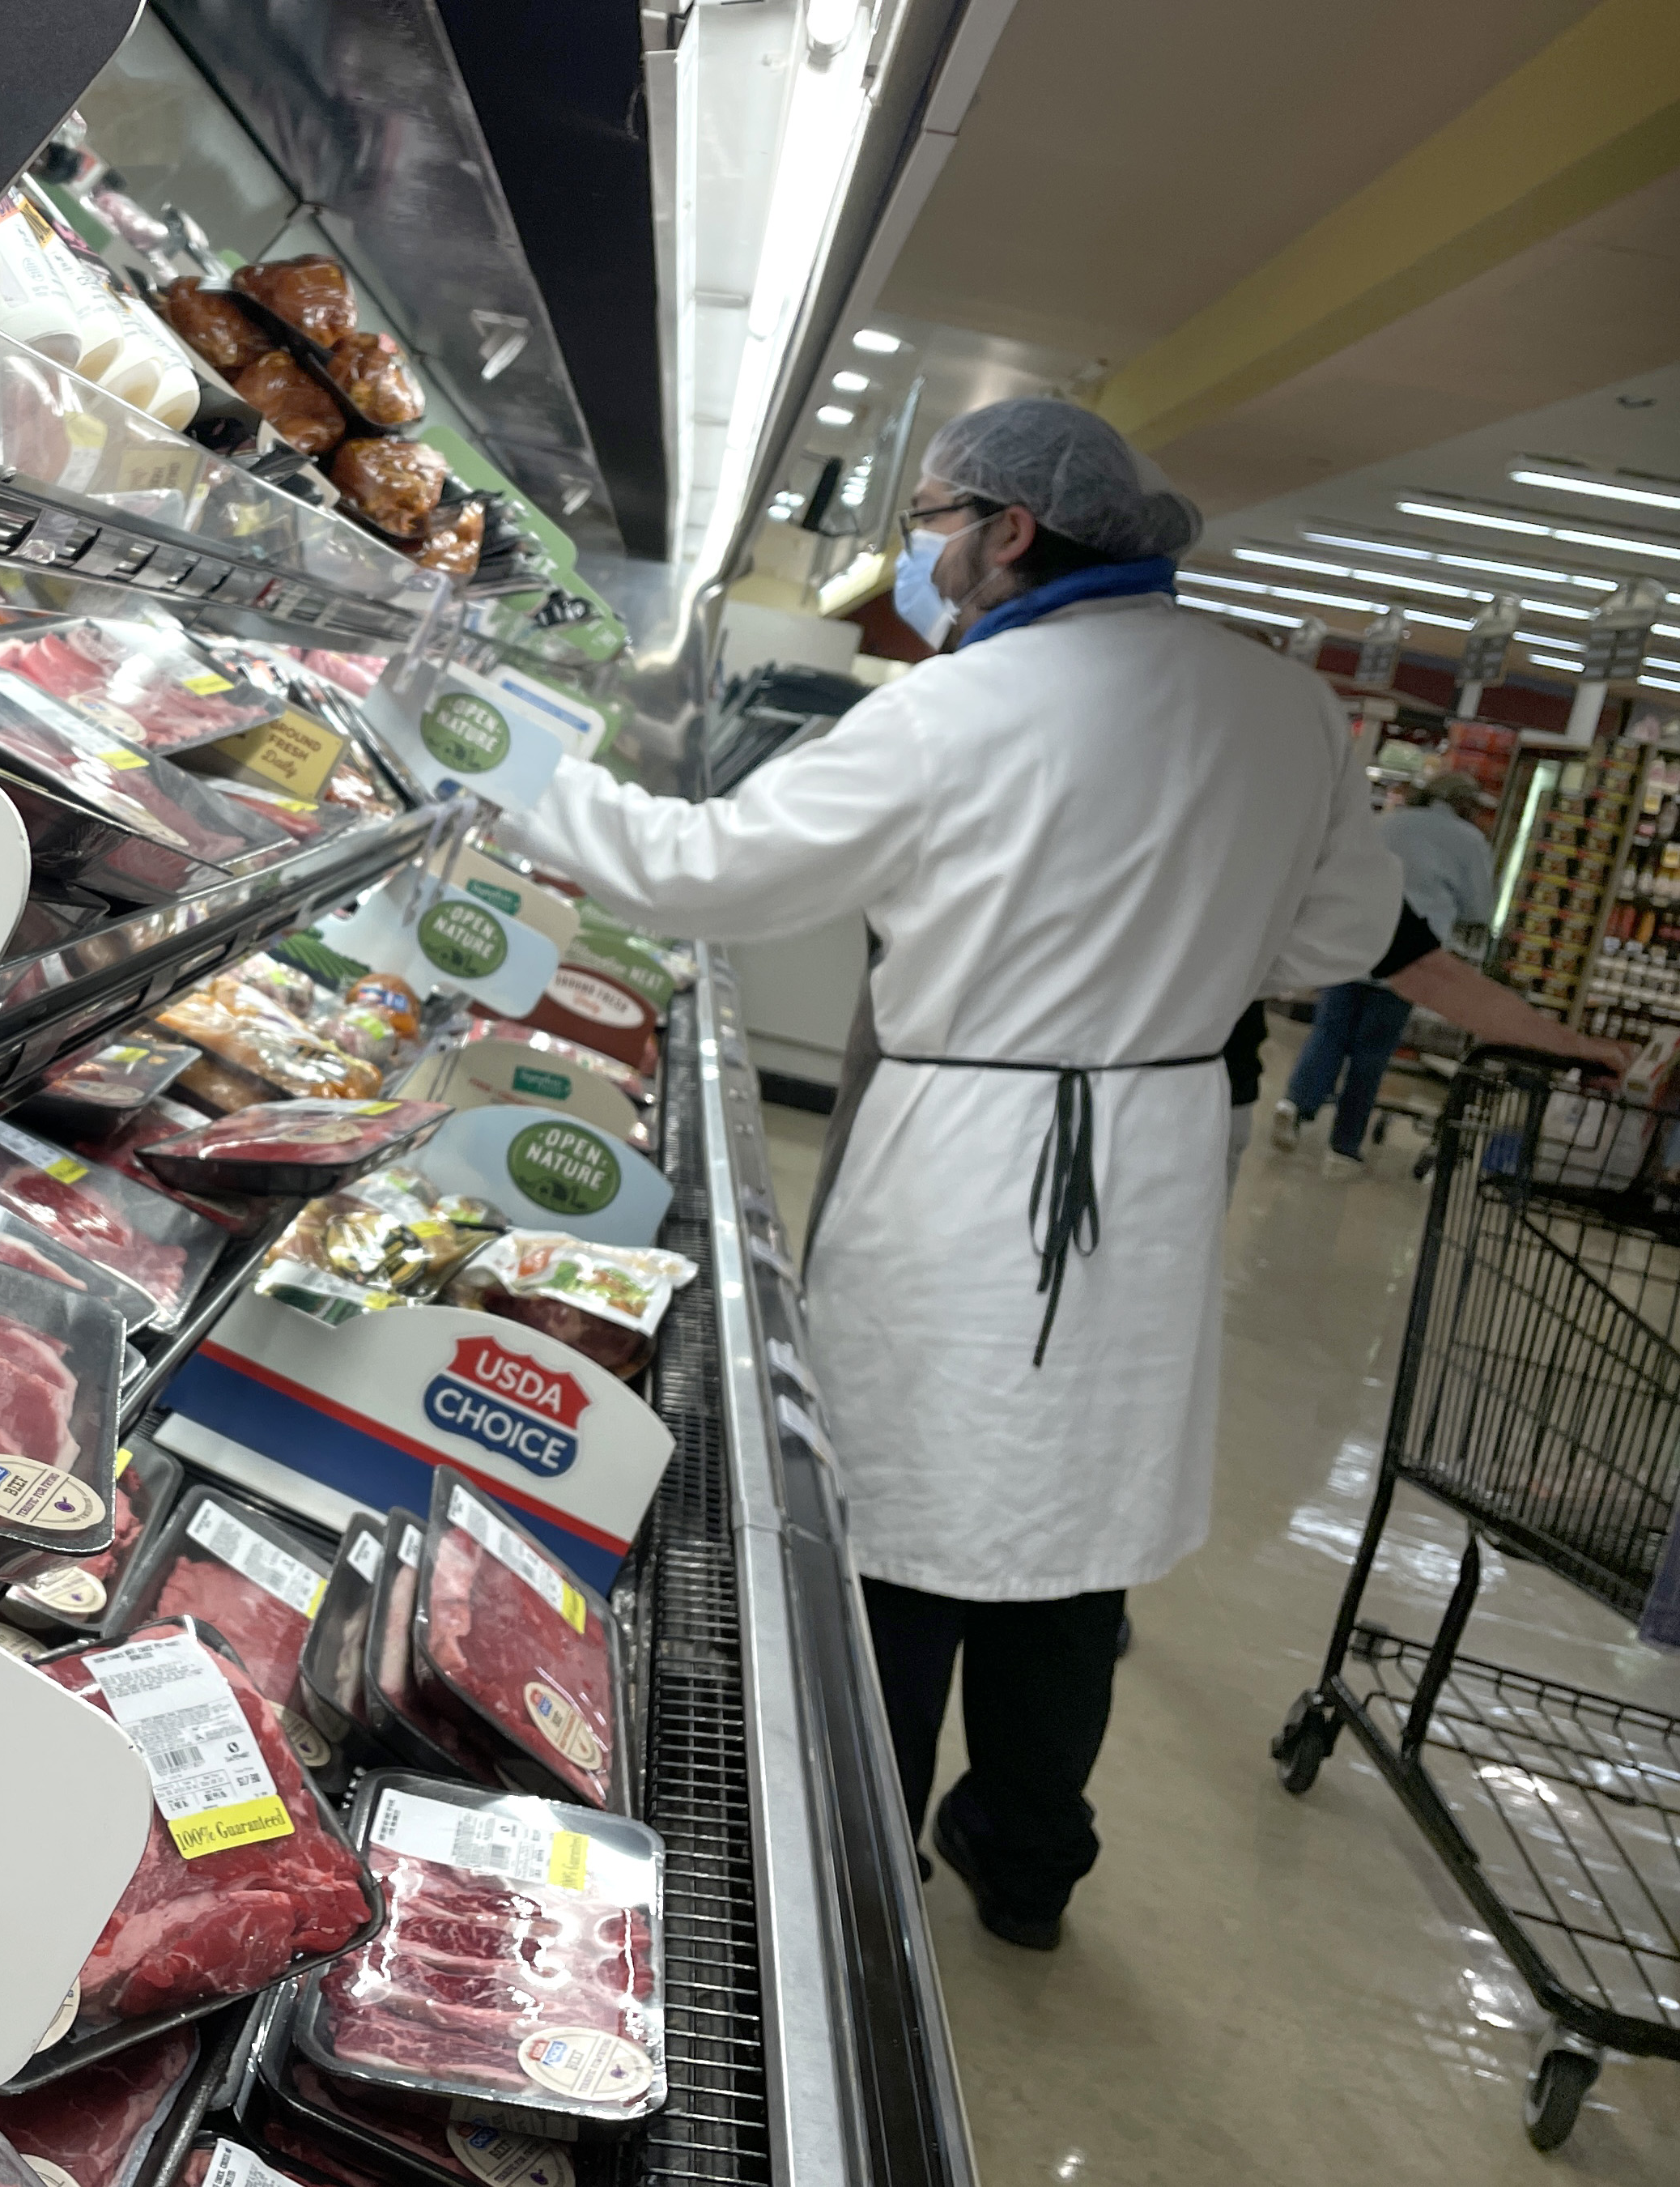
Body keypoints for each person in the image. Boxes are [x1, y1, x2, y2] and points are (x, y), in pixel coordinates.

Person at [501, 398, 1406, 1951]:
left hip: (973, 1154)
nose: (908, 555)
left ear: (1007, 528)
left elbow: (693, 873)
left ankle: (861, 1888)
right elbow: (1335, 941)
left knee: (905, 1523)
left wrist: (499, 754)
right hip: (1160, 1140)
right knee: (1076, 1533)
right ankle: (1028, 1859)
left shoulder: (959, 709)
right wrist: (1172, 937)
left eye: (924, 519)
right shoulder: (1283, 706)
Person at [1271, 772, 1501, 1168]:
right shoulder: (1469, 841)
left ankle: (1296, 1103)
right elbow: (1480, 908)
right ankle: (1344, 1146)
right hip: (1412, 949)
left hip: (1359, 936)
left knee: (1330, 1030)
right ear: (1464, 805)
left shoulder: (1392, 821)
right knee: (1373, 1049)